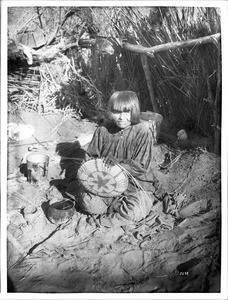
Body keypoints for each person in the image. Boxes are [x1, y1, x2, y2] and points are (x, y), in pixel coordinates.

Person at [77, 91, 156, 227]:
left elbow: (141, 167)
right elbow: (90, 158)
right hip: (104, 184)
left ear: (135, 112)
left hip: (134, 185)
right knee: (88, 202)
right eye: (117, 112)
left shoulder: (142, 132)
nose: (121, 117)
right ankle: (114, 207)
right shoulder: (103, 130)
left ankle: (108, 217)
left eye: (127, 112)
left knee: (136, 211)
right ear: (110, 112)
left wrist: (118, 165)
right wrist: (98, 167)